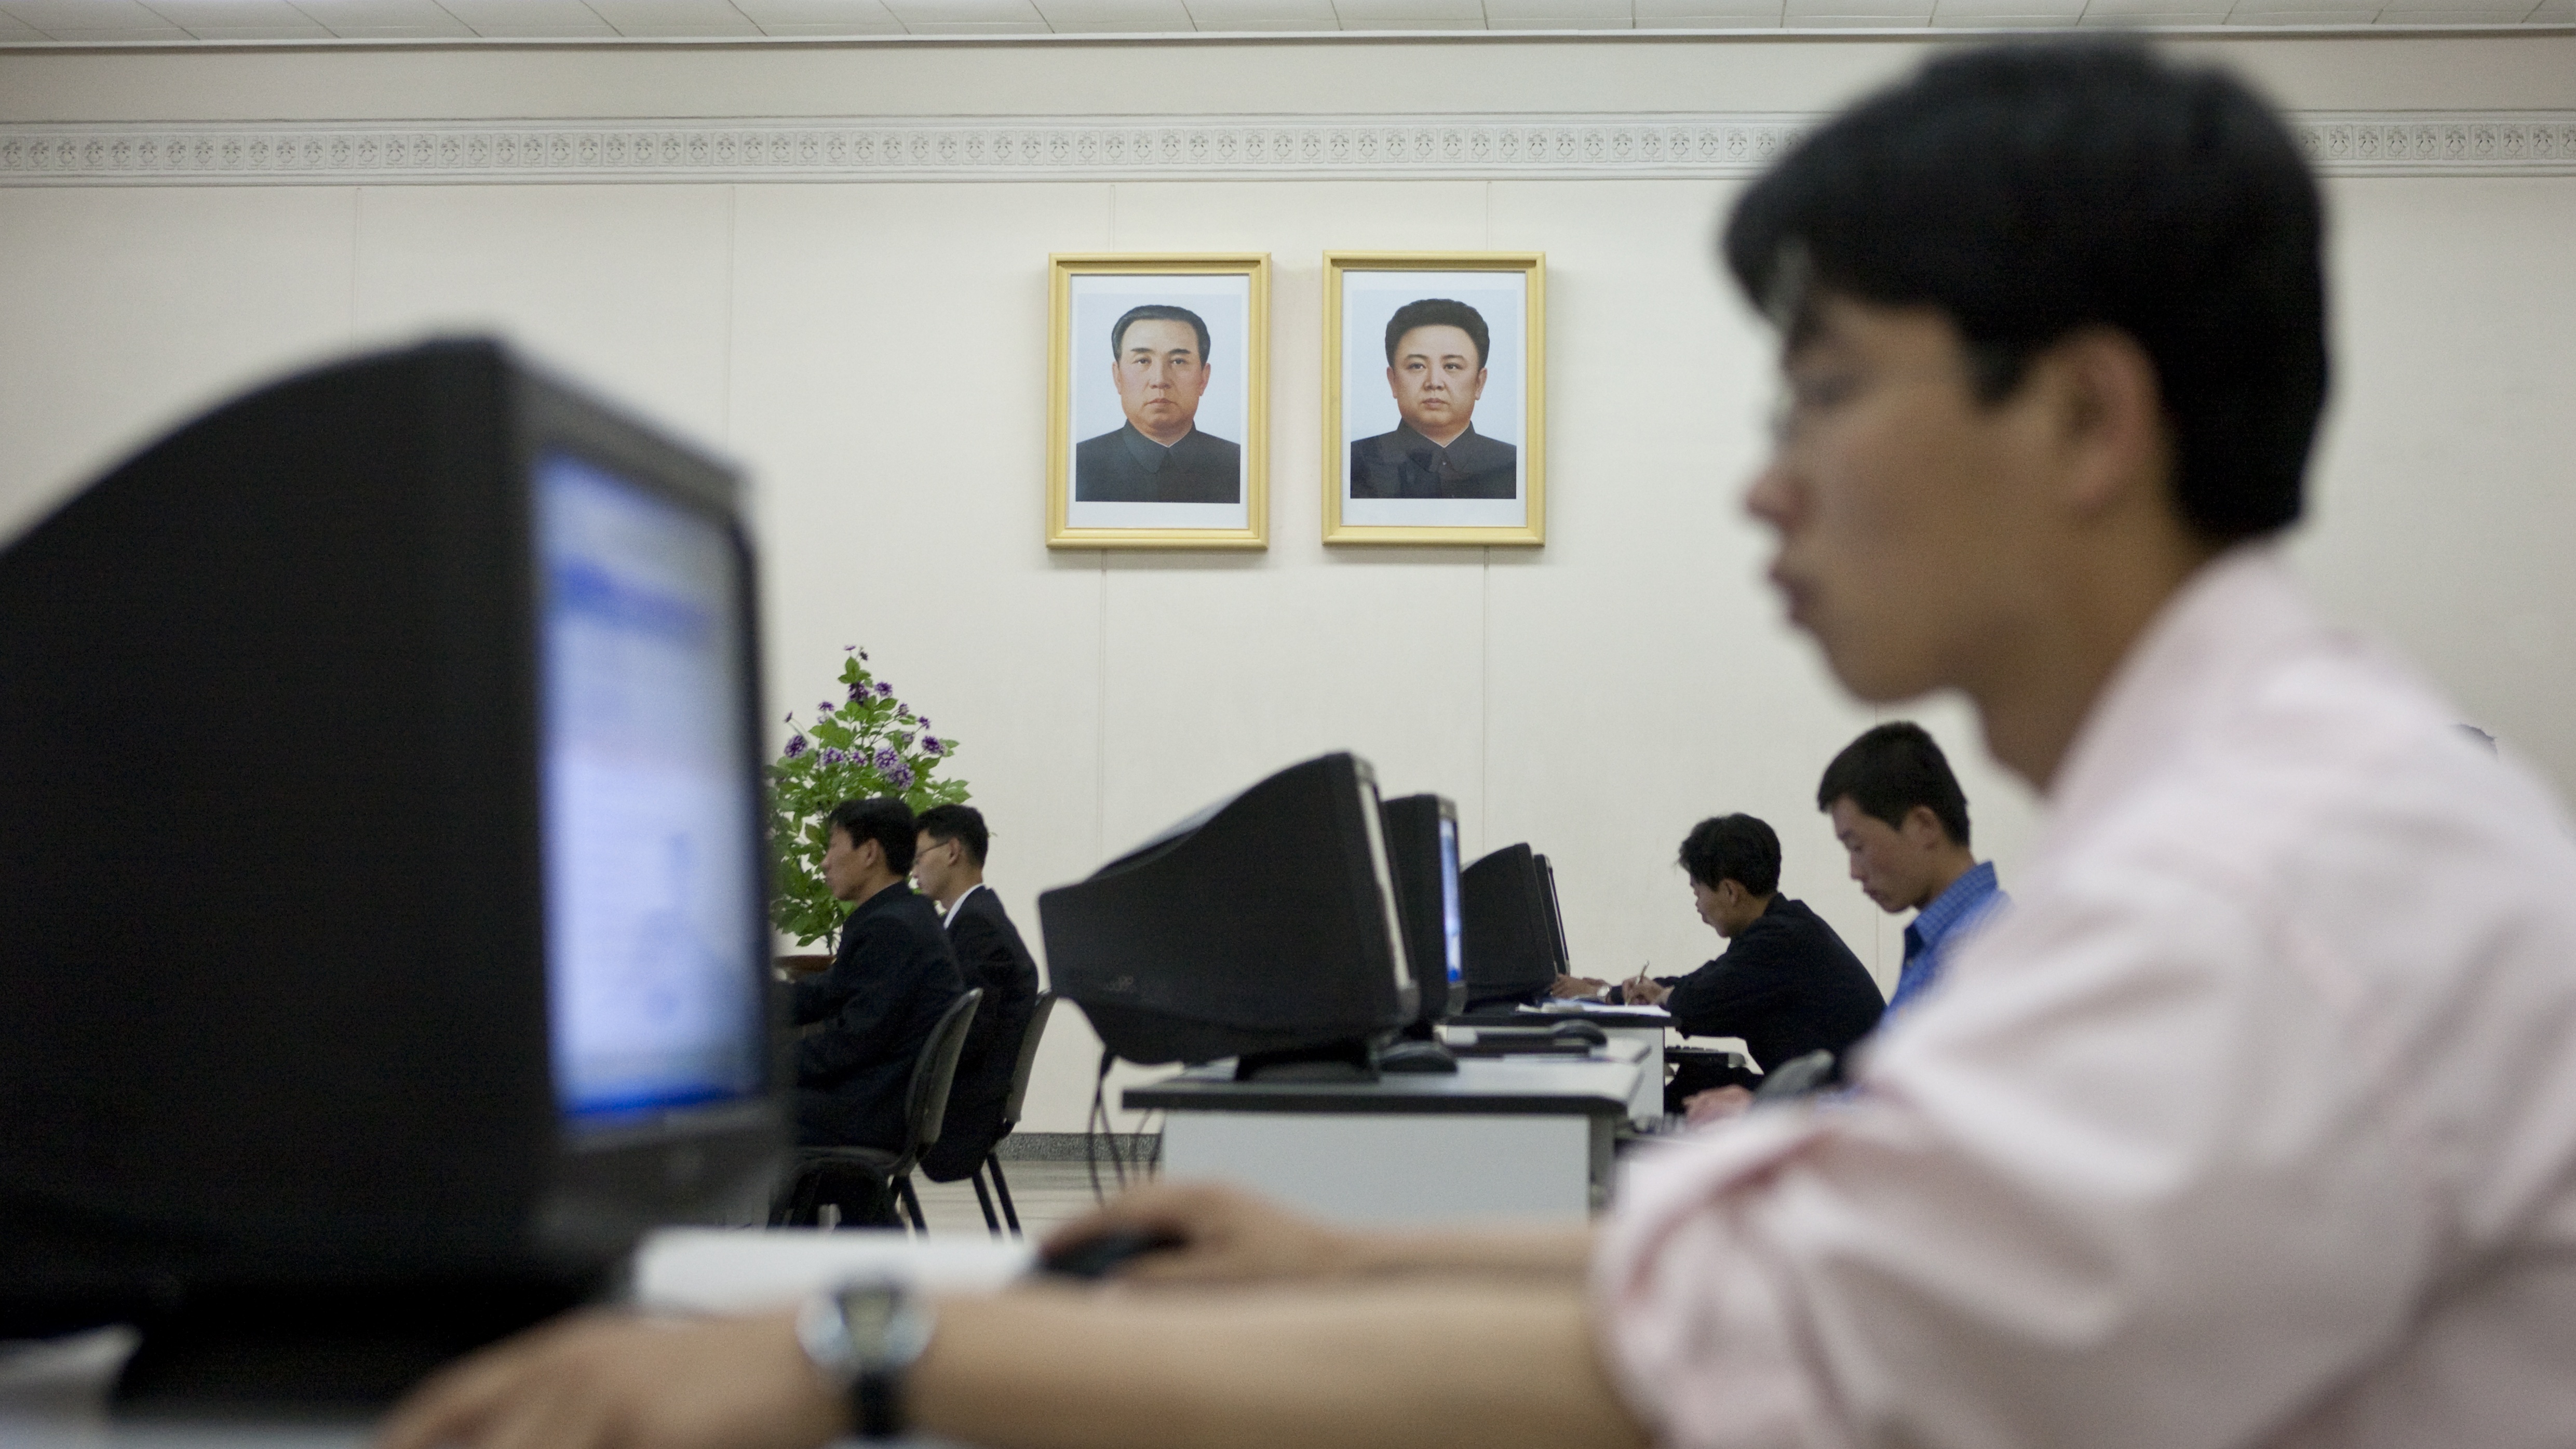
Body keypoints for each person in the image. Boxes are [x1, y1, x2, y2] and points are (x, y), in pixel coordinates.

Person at [383, 43, 2576, 1449]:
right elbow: (1863, 1240)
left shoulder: (2262, 890)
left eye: (1821, 392)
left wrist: (848, 1358)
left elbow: (1688, 1371)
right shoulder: (2273, 812)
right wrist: (1354, 1252)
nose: (1763, 484)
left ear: (2084, 417)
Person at [1562, 814, 1880, 1111]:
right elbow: (1709, 979)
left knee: (1688, 1094)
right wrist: (1639, 992)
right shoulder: (1784, 928)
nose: (1698, 904)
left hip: (1843, 1113)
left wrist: (1650, 996)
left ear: (1730, 891)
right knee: (1700, 1079)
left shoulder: (1779, 940)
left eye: (1697, 890)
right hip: (1836, 1101)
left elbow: (1697, 1001)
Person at [786, 797, 964, 1164]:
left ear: (869, 852)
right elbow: (829, 990)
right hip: (880, 1101)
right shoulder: (903, 914)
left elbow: (852, 1042)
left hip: (871, 1112)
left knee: (725, 1111)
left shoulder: (892, 927)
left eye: (832, 847)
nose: (824, 862)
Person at [1816, 720, 2008, 1018]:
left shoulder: (1981, 948)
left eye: (1857, 847)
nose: (1854, 871)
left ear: (1923, 826)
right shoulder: (1947, 942)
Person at [908, 803, 1040, 1184]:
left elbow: (966, 1038)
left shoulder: (977, 927)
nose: (913, 870)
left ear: (951, 852)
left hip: (958, 1115)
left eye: (918, 857)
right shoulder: (976, 919)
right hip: (968, 1105)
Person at [1347, 297, 1518, 499]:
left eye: (1452, 366)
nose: (1434, 382)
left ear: (1479, 383)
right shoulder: (1353, 464)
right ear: (1393, 381)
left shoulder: (1515, 466)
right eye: (1417, 366)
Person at [1072, 304, 1241, 503]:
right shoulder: (1077, 464)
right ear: (1118, 377)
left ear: (1203, 378)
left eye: (1178, 361)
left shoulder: (1240, 464)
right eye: (1143, 361)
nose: (1160, 379)